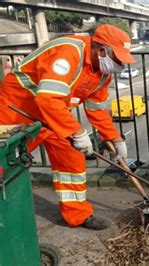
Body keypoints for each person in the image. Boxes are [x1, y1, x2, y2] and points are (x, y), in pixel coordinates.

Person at [0, 24, 134, 230]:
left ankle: (77, 215)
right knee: (7, 162)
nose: (118, 65)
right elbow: (48, 98)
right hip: (17, 110)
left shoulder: (102, 72)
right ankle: (6, 218)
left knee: (71, 158)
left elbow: (97, 110)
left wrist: (116, 140)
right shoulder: (69, 52)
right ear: (102, 50)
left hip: (53, 116)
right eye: (116, 58)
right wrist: (78, 132)